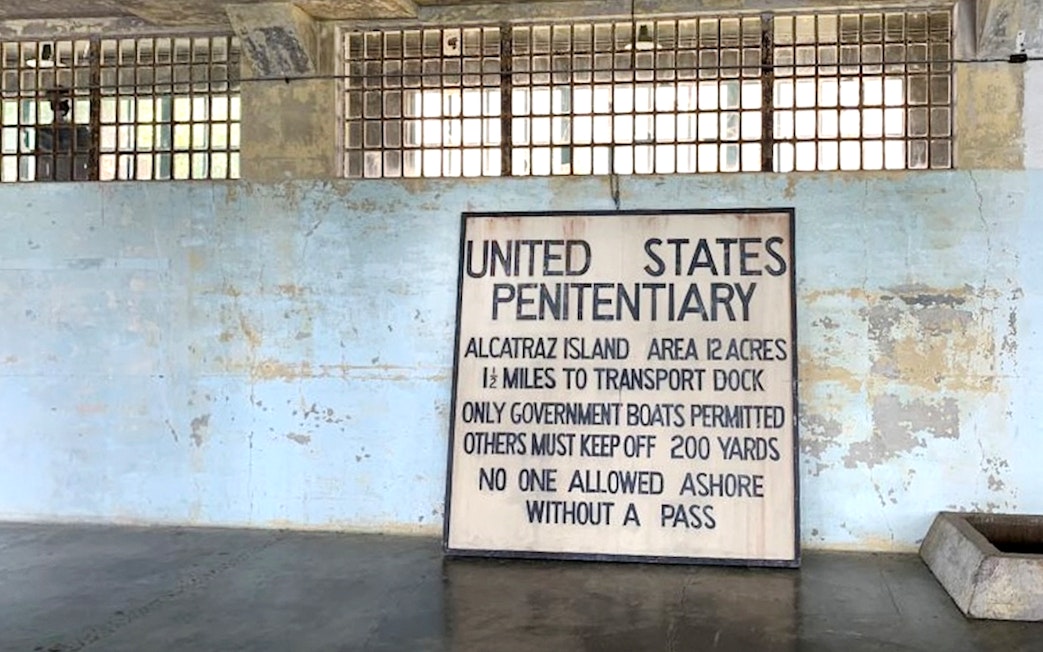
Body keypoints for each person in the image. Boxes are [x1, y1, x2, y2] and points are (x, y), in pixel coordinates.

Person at [35, 88, 91, 181]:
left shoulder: (80, 131)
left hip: (72, 178)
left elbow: (86, 158)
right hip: (71, 179)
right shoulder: (44, 132)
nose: (58, 109)